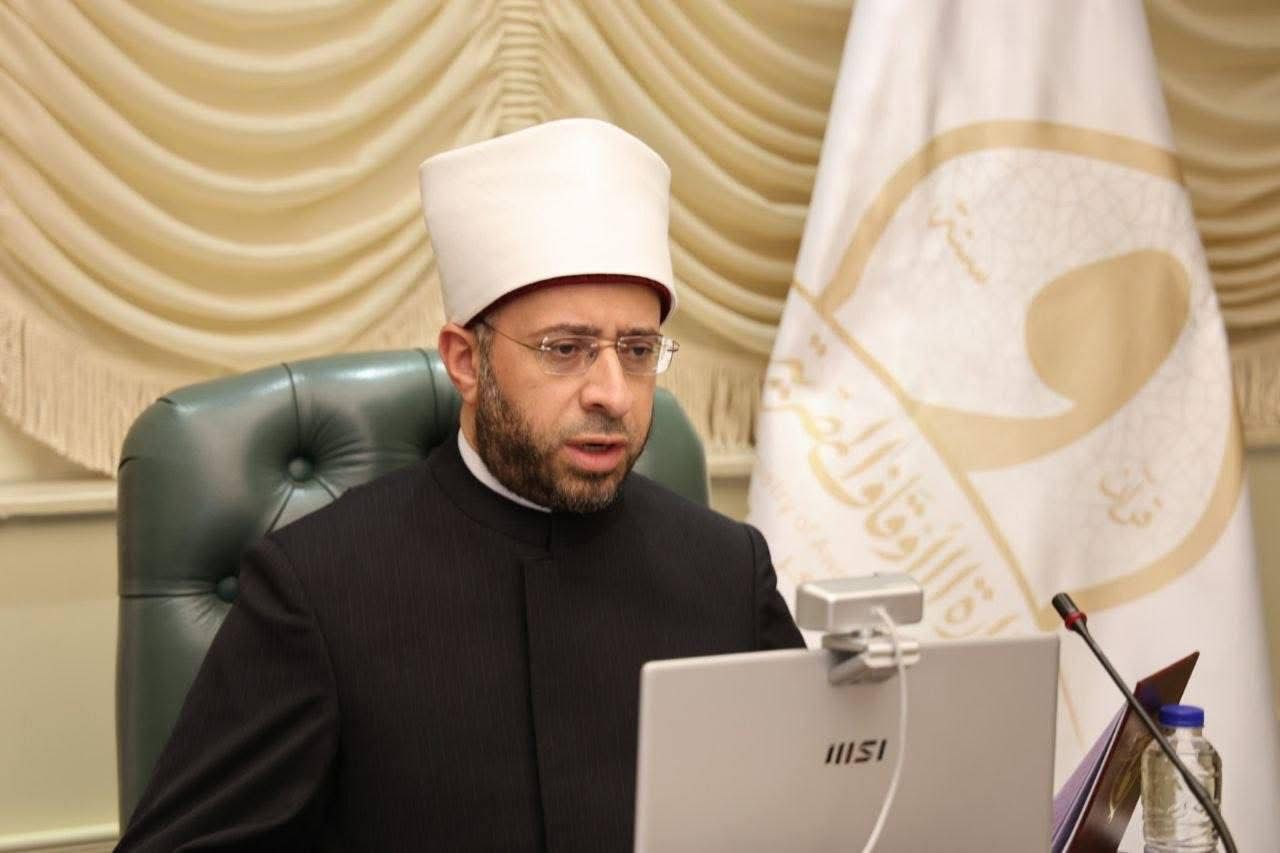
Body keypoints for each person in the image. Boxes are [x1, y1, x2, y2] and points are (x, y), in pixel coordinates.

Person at [114, 118, 803, 852]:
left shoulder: (727, 569)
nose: (612, 392)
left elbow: (816, 809)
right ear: (465, 361)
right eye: (565, 349)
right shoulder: (316, 586)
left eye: (636, 350)